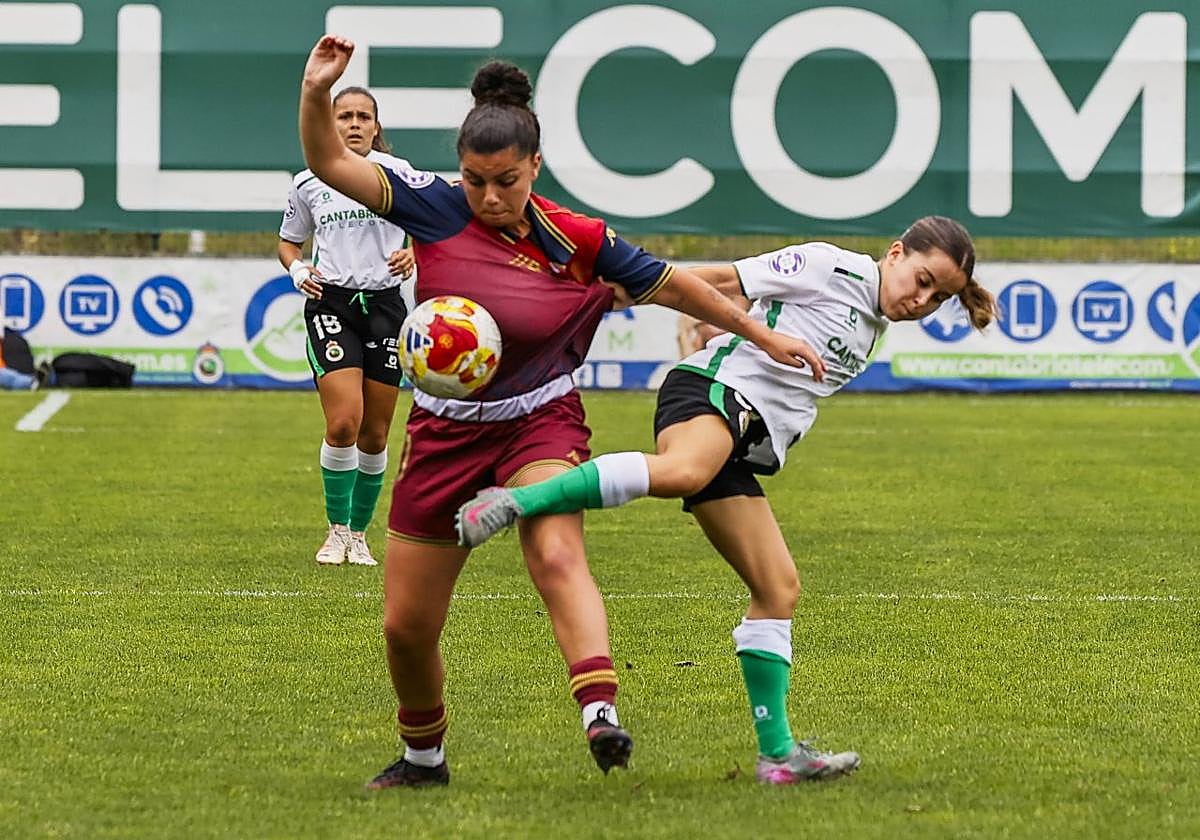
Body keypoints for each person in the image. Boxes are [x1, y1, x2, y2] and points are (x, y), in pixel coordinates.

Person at [299, 35, 824, 788]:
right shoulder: (435, 209)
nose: (488, 197)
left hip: (540, 422)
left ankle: (600, 711)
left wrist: (761, 333)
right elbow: (328, 163)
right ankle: (424, 759)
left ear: (534, 168)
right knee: (406, 628)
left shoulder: (575, 239)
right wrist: (317, 92)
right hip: (444, 434)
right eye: (476, 180)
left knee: (554, 553)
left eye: (505, 181)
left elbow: (675, 284)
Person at [456, 216, 999, 784]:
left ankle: (778, 754)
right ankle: (515, 502)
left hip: (740, 442)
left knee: (778, 588)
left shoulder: (872, 321)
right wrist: (618, 297)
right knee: (684, 470)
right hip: (711, 392)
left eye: (938, 297)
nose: (922, 299)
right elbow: (723, 277)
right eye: (921, 279)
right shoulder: (830, 266)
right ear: (894, 253)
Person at [278, 85, 416, 567]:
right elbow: (289, 244)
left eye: (363, 117)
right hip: (331, 304)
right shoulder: (309, 181)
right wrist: (297, 270)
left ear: (377, 128)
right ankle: (335, 531)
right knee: (343, 423)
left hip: (384, 307)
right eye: (345, 116)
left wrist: (415, 250)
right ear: (330, 125)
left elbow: (439, 225)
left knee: (375, 435)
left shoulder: (398, 175)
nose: (354, 124)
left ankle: (359, 536)